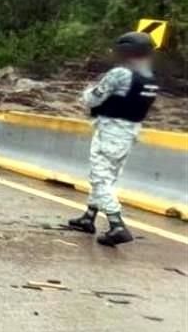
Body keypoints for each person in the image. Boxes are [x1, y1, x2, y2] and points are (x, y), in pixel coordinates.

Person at [67, 31, 158, 247]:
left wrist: (87, 92)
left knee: (100, 178)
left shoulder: (120, 74)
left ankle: (117, 225)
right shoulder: (149, 78)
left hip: (110, 130)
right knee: (107, 176)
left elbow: (92, 99)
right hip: (129, 132)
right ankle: (89, 216)